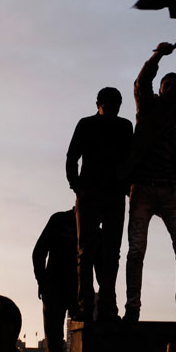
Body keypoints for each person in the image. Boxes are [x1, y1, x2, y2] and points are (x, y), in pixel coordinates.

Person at [121, 42, 176, 325]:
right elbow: (140, 82)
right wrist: (157, 56)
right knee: (136, 251)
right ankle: (132, 307)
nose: (169, 90)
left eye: (174, 87)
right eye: (165, 85)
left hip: (171, 192)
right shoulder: (147, 108)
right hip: (142, 188)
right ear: (160, 89)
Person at [66, 87, 133, 322]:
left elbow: (129, 158)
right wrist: (77, 186)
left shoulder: (125, 126)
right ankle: (87, 305)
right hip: (91, 194)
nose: (113, 108)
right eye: (109, 104)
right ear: (98, 104)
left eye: (117, 104)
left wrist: (126, 187)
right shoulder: (86, 124)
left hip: (113, 195)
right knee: (86, 252)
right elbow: (72, 156)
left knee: (110, 254)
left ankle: (106, 306)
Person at [32, 208, 77, 352]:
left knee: (69, 344)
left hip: (77, 291)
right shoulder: (60, 220)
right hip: (55, 288)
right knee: (54, 346)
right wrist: (42, 281)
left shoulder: (92, 225)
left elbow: (98, 262)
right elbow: (39, 252)